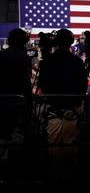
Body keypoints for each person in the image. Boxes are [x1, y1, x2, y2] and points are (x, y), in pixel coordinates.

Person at [37, 28, 87, 181]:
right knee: (70, 145)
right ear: (71, 43)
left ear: (56, 42)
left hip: (54, 110)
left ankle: (55, 175)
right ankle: (68, 176)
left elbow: (42, 85)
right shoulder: (77, 62)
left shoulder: (47, 61)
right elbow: (83, 87)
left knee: (54, 146)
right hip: (71, 110)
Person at [0, 29, 32, 180]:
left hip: (2, 102)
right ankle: (14, 171)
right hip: (18, 102)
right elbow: (26, 83)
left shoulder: (2, 55)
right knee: (17, 136)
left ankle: (4, 168)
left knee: (3, 135)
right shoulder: (24, 57)